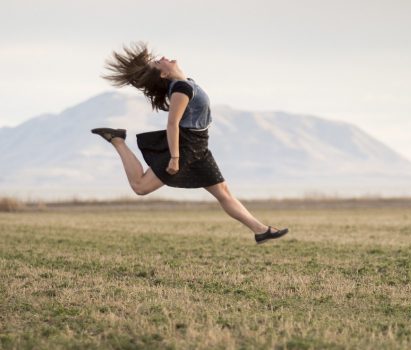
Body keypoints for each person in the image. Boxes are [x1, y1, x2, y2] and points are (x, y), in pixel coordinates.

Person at [92, 41, 288, 244]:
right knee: (140, 187)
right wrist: (175, 158)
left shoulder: (186, 83)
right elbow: (172, 124)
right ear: (163, 74)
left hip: (199, 146)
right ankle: (117, 141)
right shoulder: (182, 89)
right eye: (159, 63)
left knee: (223, 193)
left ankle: (261, 231)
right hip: (186, 147)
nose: (162, 58)